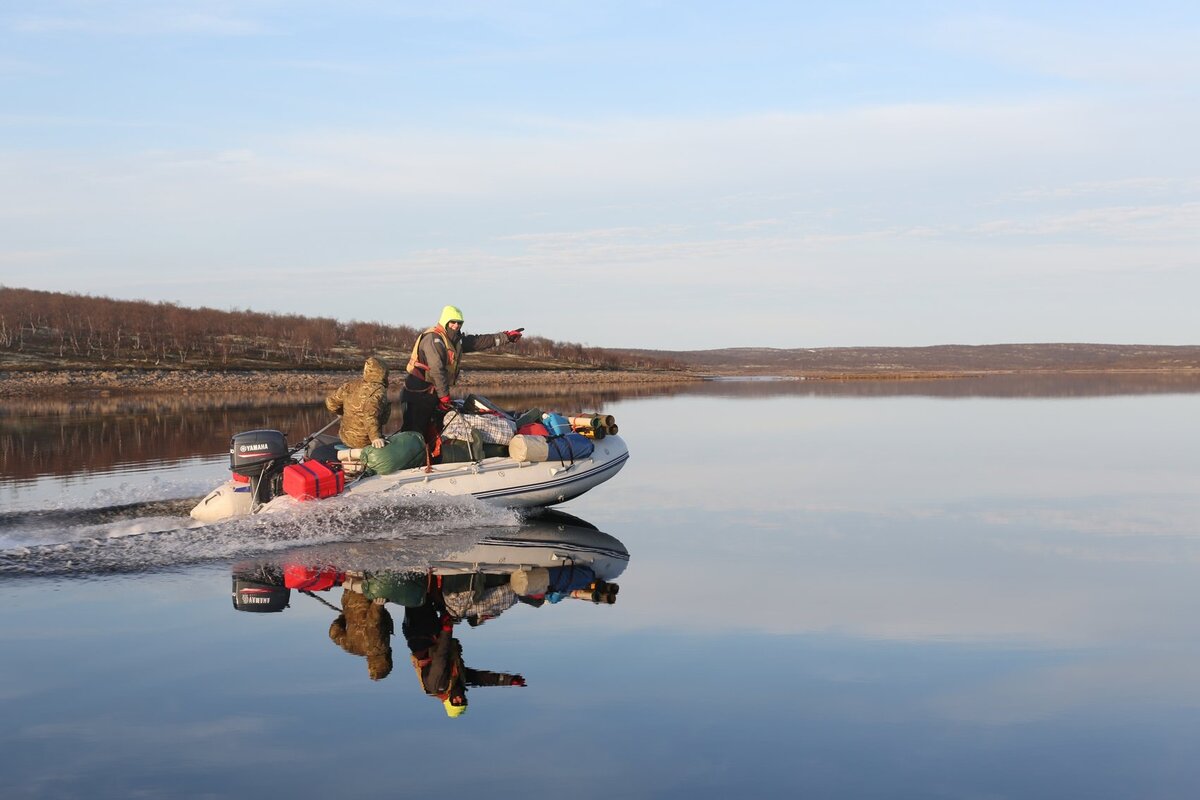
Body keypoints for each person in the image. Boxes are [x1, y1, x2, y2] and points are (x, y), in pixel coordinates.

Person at [401, 306, 523, 449]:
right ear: (445, 321)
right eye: (453, 322)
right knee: (414, 431)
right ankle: (410, 464)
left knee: (431, 428)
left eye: (459, 323)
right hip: (418, 392)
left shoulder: (455, 340)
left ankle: (428, 458)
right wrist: (444, 396)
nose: (456, 326)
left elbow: (480, 341)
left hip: (432, 392)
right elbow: (436, 370)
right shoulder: (434, 339)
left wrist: (506, 337)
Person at [402, 597, 525, 718]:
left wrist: (446, 631)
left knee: (418, 593)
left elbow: (440, 658)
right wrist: (509, 680)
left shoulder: (438, 687)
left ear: (448, 703)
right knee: (431, 594)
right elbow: (481, 678)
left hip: (419, 632)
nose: (459, 698)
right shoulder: (457, 682)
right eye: (462, 701)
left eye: (456, 702)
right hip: (431, 633)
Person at [325, 356, 391, 449]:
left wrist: (342, 412)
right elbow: (370, 415)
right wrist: (375, 438)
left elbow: (331, 403)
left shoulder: (350, 385)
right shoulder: (378, 391)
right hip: (365, 442)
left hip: (346, 438)